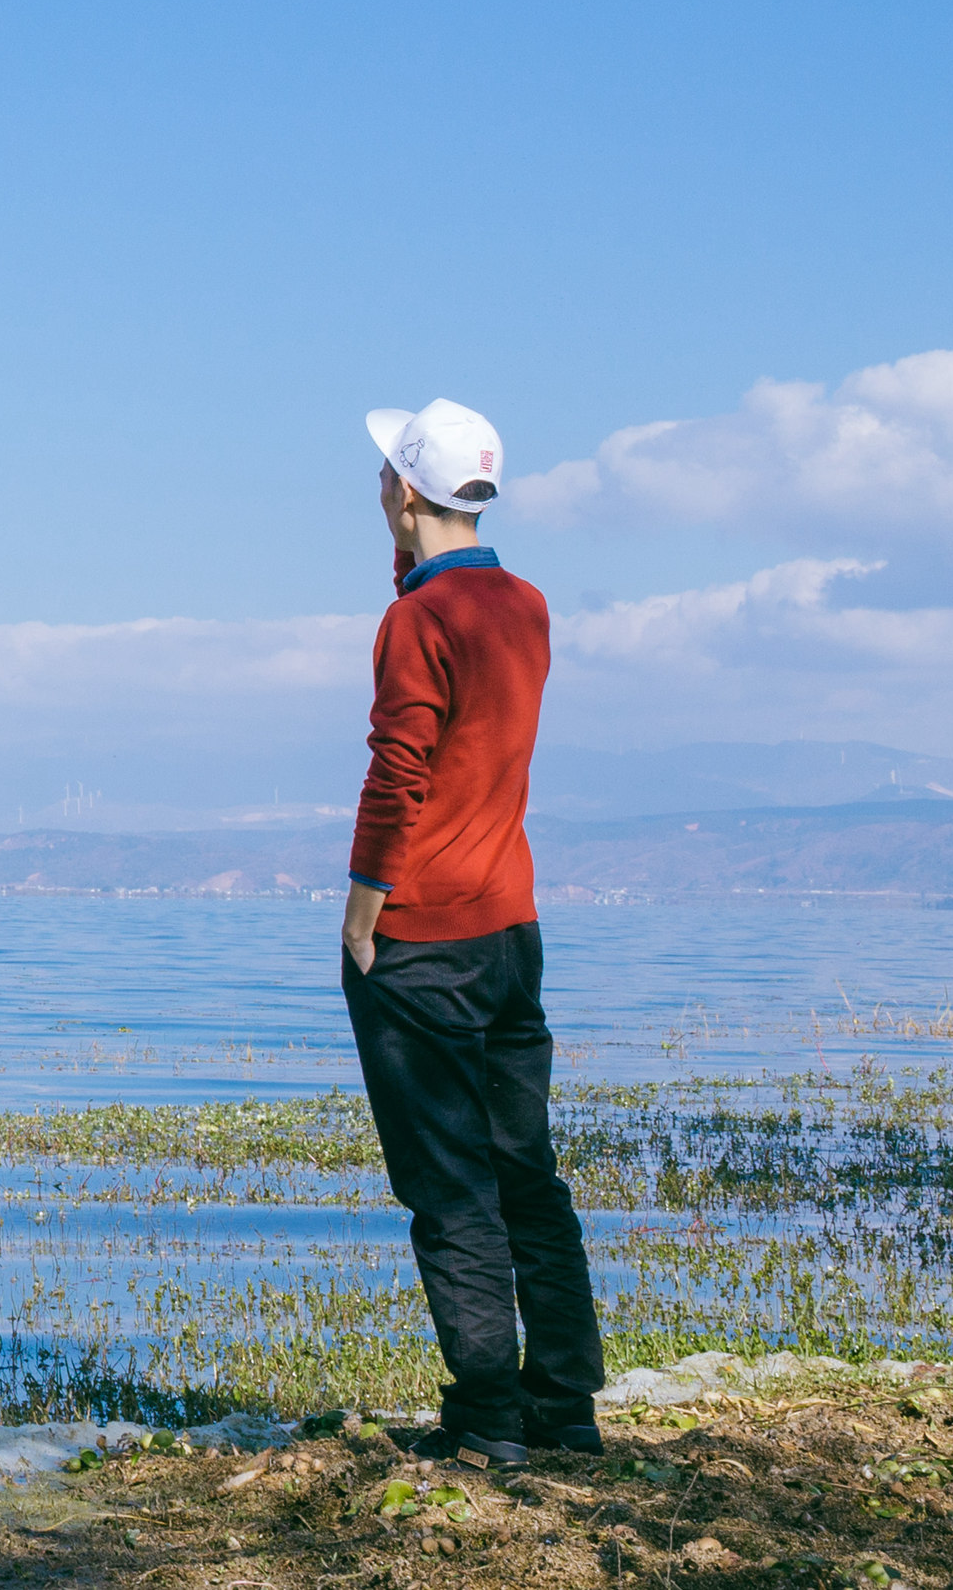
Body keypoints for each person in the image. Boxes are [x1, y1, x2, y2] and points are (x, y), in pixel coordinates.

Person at [343, 398, 603, 1466]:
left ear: (404, 490)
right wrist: (409, 559)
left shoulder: (419, 621)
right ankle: (566, 1404)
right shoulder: (522, 606)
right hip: (510, 932)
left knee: (448, 1187)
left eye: (383, 475)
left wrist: (361, 912)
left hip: (423, 938)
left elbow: (399, 769)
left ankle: (488, 1414)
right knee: (524, 1171)